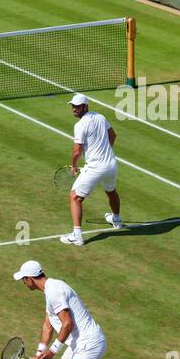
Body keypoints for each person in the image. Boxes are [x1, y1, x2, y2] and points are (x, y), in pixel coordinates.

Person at [60, 94, 122, 246]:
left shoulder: (80, 125)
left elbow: (77, 151)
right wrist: (104, 153)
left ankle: (77, 236)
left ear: (85, 106)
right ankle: (116, 219)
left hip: (96, 168)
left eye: (77, 106)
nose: (74, 109)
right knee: (111, 190)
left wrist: (74, 166)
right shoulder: (100, 117)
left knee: (75, 197)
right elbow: (113, 135)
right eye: (73, 106)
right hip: (111, 165)